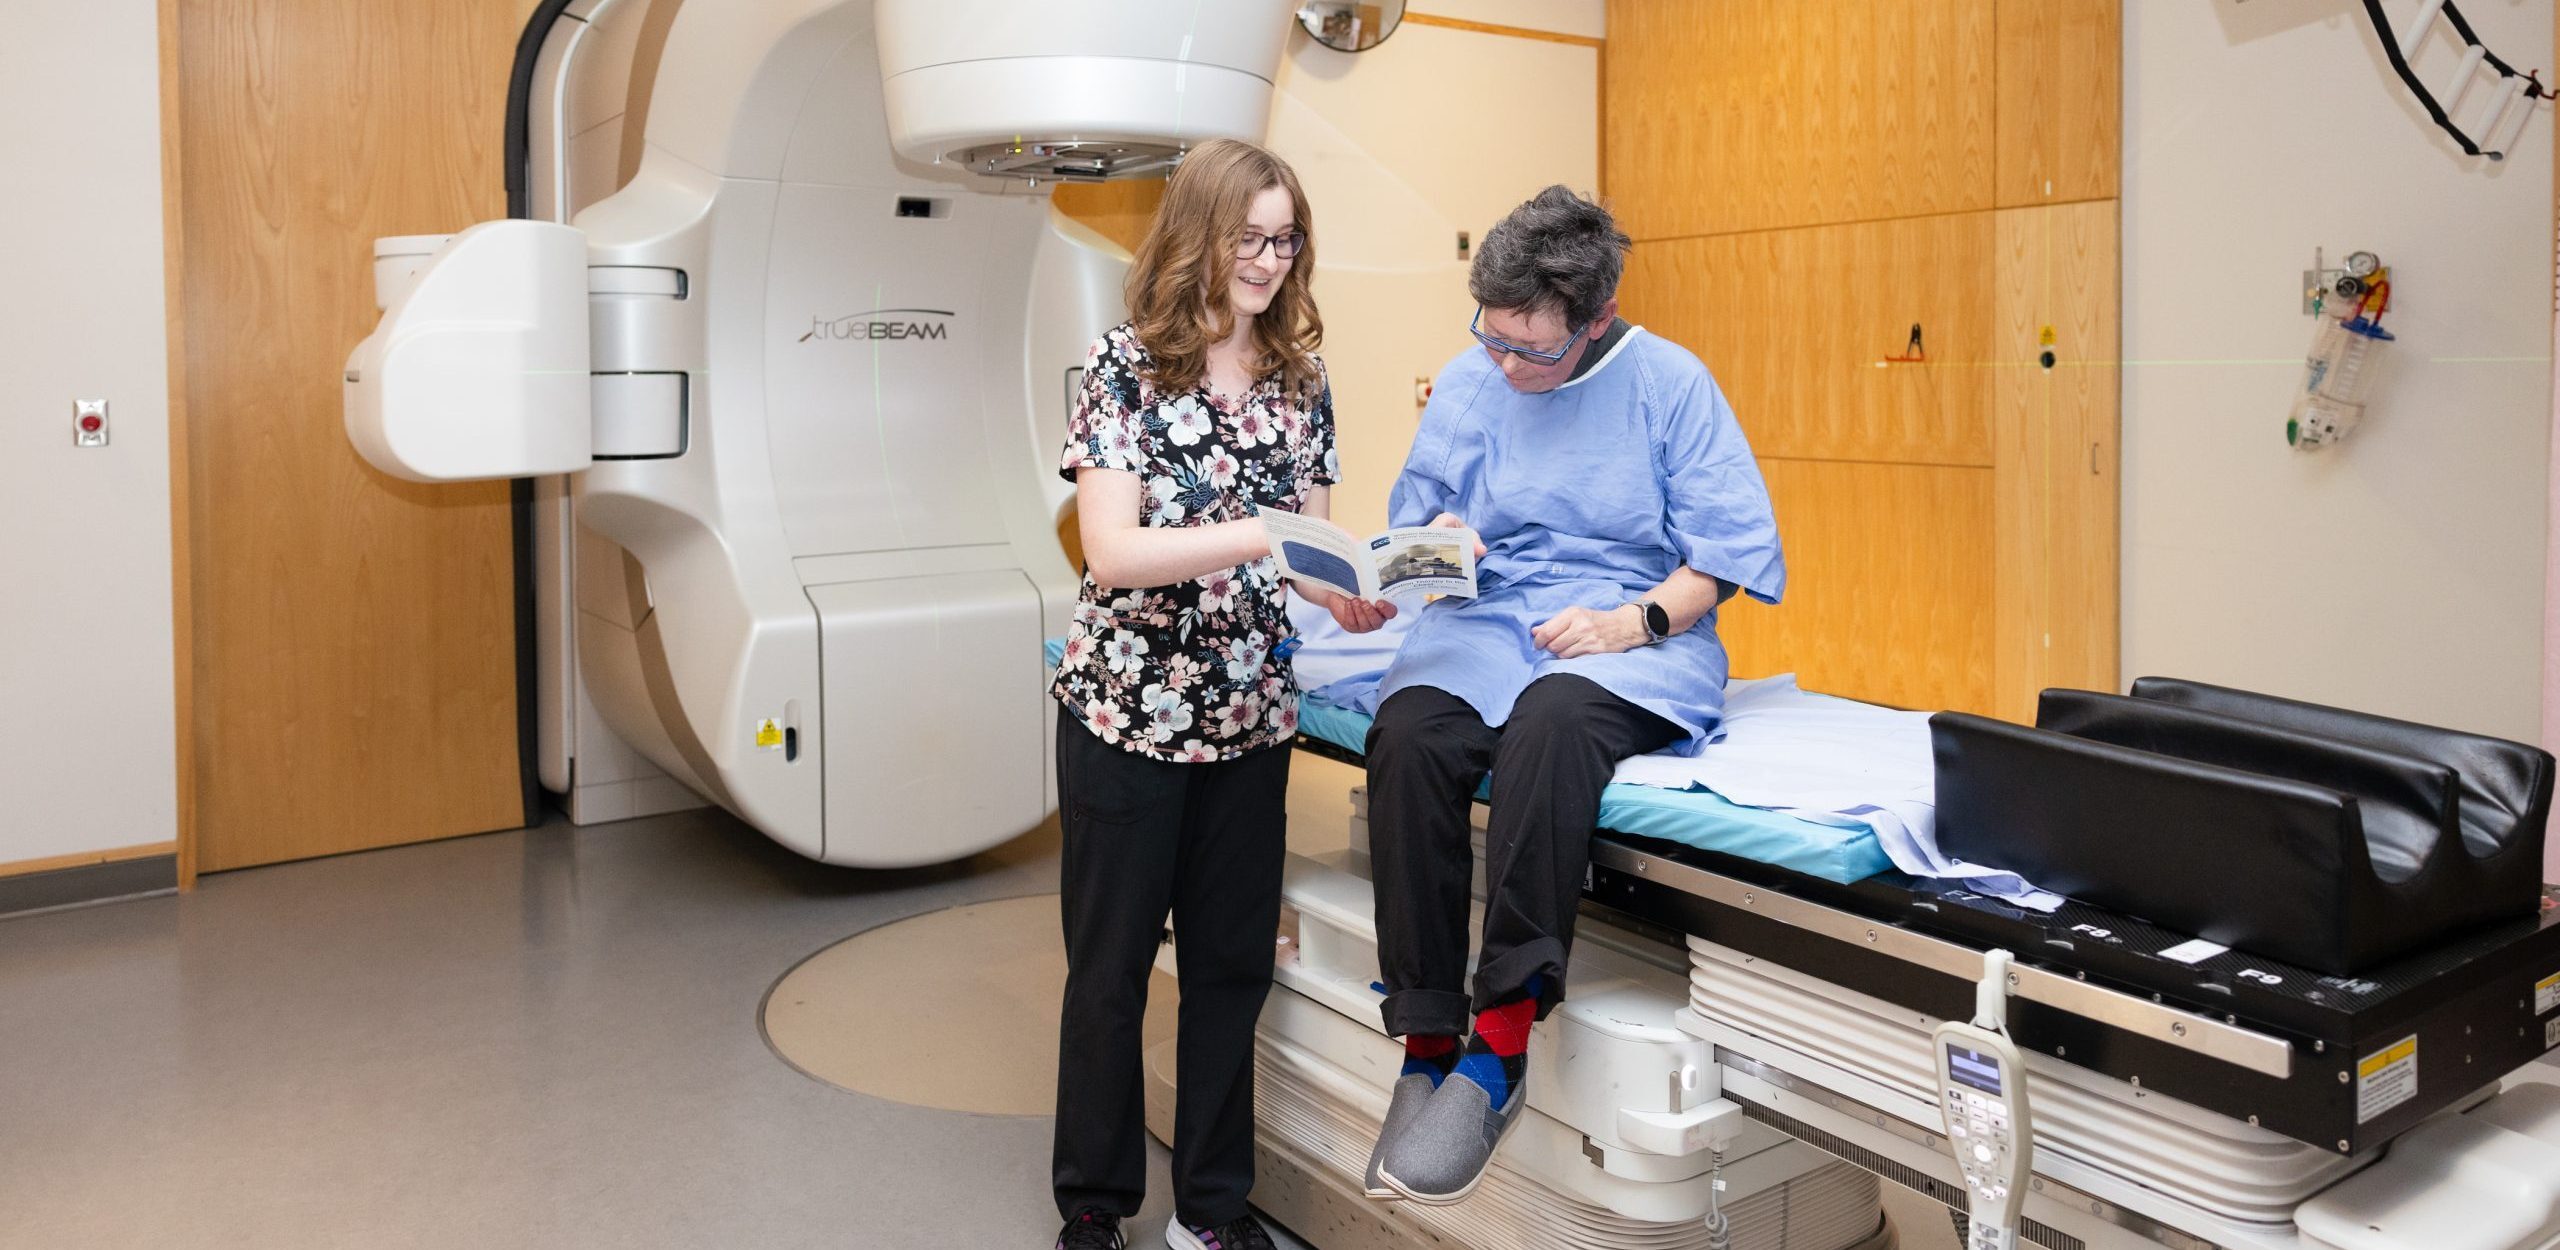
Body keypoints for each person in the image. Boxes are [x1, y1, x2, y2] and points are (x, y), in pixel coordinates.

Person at [1362, 186, 1785, 1204]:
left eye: (1530, 350)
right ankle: (1426, 1039)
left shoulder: (1669, 383)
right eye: (1491, 338)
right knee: (1409, 732)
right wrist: (1437, 551)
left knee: (1551, 721)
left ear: (1593, 321)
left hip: (1628, 629)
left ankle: (1498, 1042)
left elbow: (1721, 558)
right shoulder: (1475, 381)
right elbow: (1399, 552)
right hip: (1489, 618)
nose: (1505, 366)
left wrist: (1624, 624)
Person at [1047, 139, 1391, 1250]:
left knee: (1231, 968)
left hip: (1249, 717)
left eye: (1285, 238)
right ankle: (1095, 1203)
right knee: (1107, 972)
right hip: (1127, 715)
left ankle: (1208, 1206)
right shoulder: (1122, 367)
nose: (1267, 259)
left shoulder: (1300, 378)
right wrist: (1263, 534)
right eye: (1248, 235)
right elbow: (1109, 552)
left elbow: (1301, 550)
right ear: (1198, 232)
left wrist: (1344, 588)